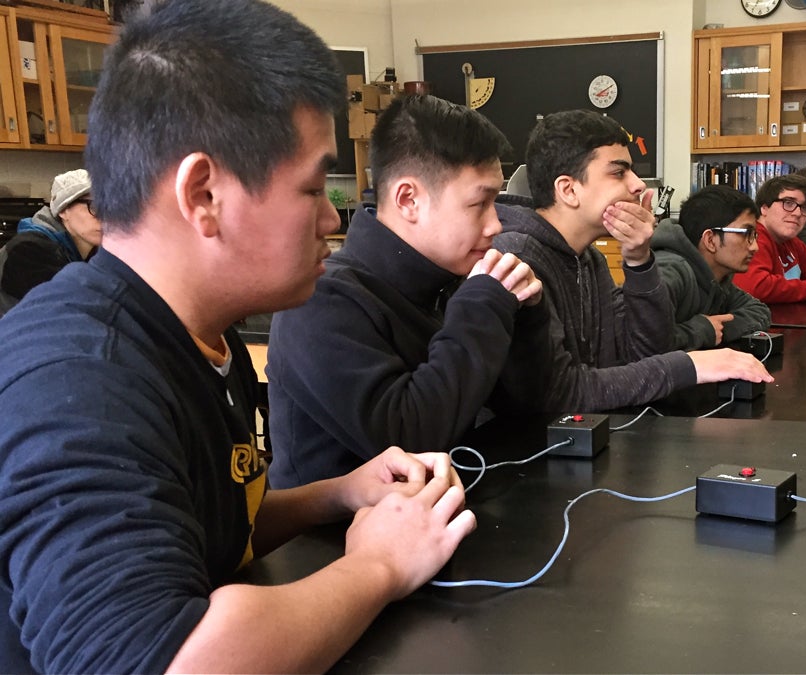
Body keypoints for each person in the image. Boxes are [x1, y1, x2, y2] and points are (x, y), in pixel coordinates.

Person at [0, 2, 474, 672]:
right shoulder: (77, 380)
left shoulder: (194, 335)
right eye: (312, 188)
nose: (333, 214)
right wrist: (378, 566)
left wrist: (338, 492)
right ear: (203, 194)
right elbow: (168, 663)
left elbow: (198, 519)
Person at [266, 95, 550, 488]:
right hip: (333, 542)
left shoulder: (448, 279)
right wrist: (482, 305)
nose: (495, 225)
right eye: (479, 204)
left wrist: (526, 316)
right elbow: (409, 441)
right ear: (409, 200)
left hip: (444, 520)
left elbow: (526, 409)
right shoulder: (323, 300)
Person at [493, 109, 771, 411]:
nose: (639, 184)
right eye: (619, 172)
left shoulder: (589, 258)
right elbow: (558, 393)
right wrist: (689, 366)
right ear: (568, 190)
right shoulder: (516, 255)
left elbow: (643, 353)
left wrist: (639, 259)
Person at [650, 184, 770, 351]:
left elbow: (759, 311)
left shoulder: (718, 276)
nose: (754, 247)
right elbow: (642, 344)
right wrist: (703, 331)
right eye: (746, 234)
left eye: (754, 235)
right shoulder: (669, 272)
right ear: (710, 240)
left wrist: (718, 329)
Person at [733, 173, 806, 303]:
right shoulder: (753, 239)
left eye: (804, 208)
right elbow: (756, 288)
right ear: (764, 208)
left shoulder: (792, 242)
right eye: (788, 203)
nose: (798, 213)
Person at [0, 168, 103, 315]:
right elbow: (71, 312)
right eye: (94, 206)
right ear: (63, 210)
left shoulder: (92, 251)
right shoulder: (29, 251)